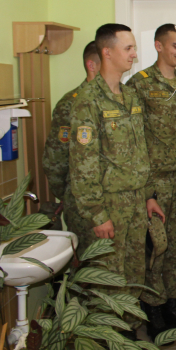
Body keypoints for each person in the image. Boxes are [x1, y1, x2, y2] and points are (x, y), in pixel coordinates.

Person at [69, 24, 165, 340]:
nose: (134, 54)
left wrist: (149, 195)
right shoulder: (87, 100)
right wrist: (97, 214)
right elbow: (83, 165)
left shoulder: (130, 95)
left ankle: (128, 335)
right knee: (107, 280)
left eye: (134, 47)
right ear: (107, 52)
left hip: (136, 204)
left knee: (134, 275)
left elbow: (141, 151)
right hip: (108, 207)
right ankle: (106, 340)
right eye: (128, 48)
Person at [127, 24, 176, 340]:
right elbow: (134, 141)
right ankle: (154, 311)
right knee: (156, 249)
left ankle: (175, 306)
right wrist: (147, 191)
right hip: (155, 184)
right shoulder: (140, 84)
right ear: (158, 46)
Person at [43, 41, 100, 245]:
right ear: (91, 65)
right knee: (88, 257)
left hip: (115, 201)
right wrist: (68, 194)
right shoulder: (71, 103)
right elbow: (55, 158)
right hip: (82, 202)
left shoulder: (117, 100)